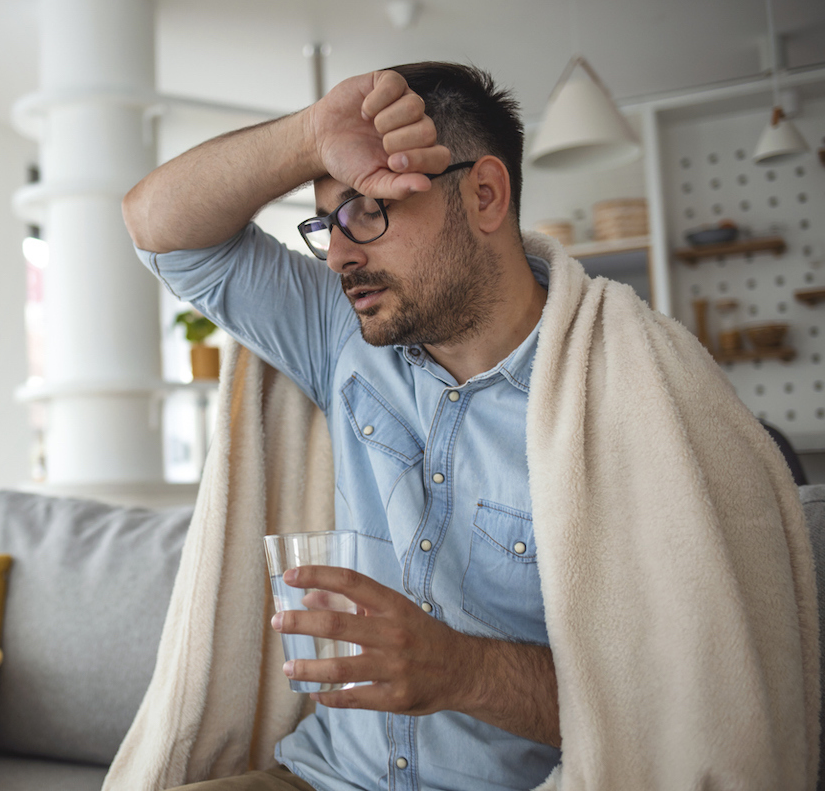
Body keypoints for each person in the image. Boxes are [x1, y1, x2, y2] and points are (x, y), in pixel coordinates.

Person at [122, 63, 814, 791]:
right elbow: (159, 228)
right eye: (326, 221)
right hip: (323, 777)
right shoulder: (341, 332)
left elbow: (683, 712)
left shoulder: (626, 402)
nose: (338, 252)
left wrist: (460, 670)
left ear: (484, 194)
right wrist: (310, 136)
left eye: (368, 209)